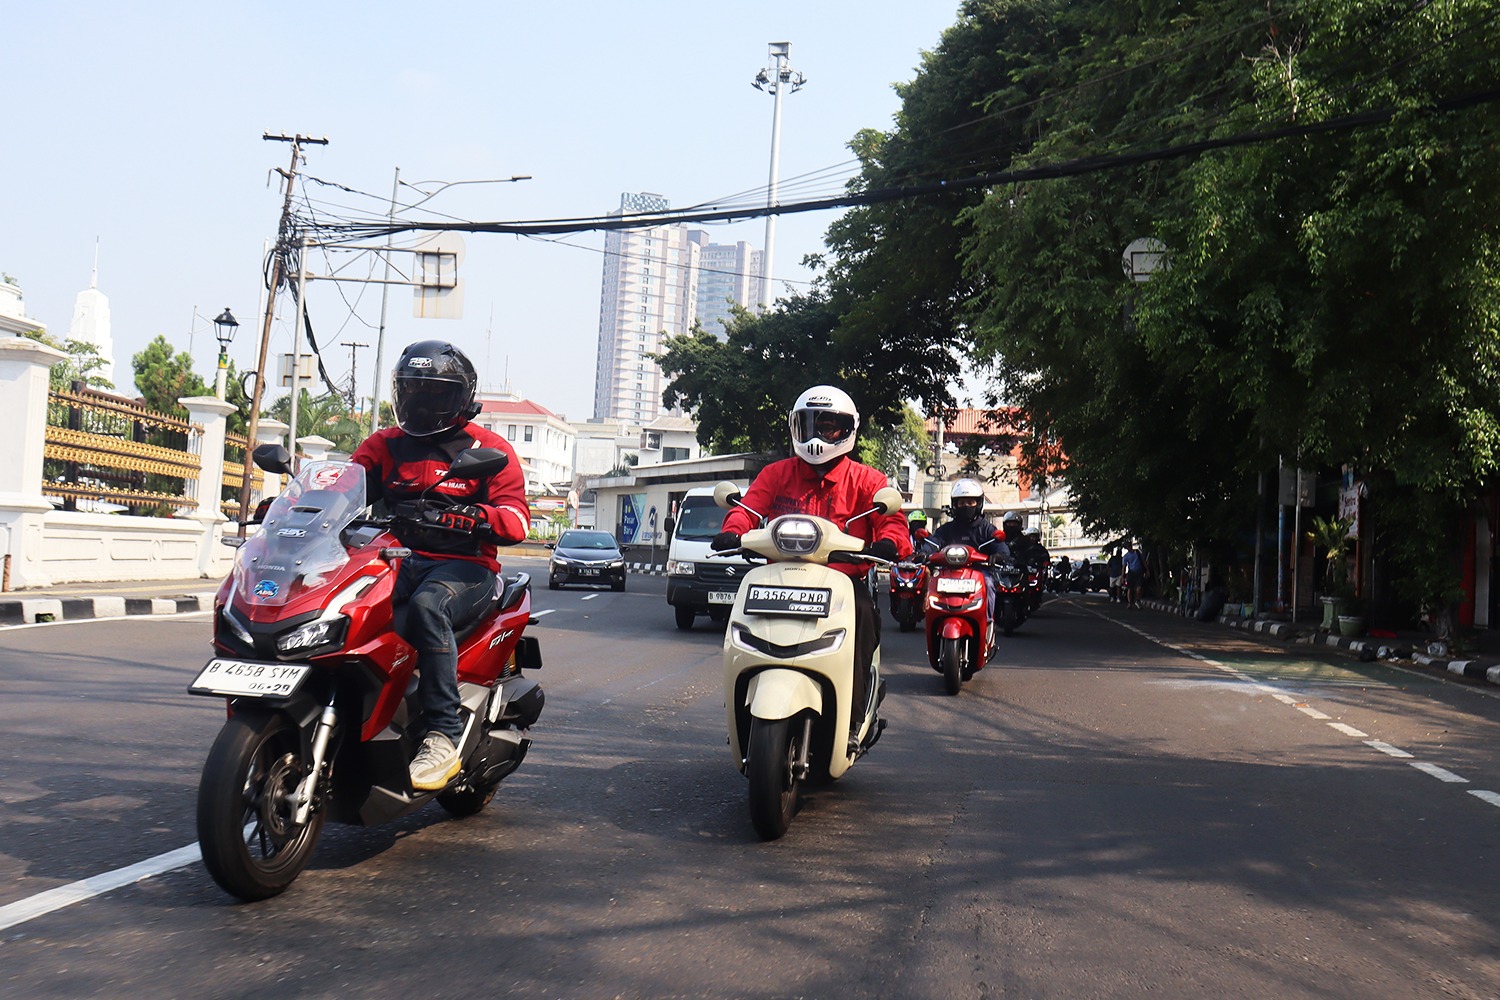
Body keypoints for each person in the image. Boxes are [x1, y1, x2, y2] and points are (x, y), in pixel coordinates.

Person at [351, 340, 529, 791]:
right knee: (341, 611)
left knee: (430, 607)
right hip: (395, 561)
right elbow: (345, 488)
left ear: (461, 398)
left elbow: (517, 520)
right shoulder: (385, 444)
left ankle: (443, 736)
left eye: (435, 392)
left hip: (465, 569)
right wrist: (300, 505)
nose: (422, 401)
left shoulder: (488, 449)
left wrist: (473, 516)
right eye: (413, 390)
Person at [712, 385, 911, 742]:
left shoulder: (868, 480)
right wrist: (733, 531)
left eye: (829, 426)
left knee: (864, 618)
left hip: (842, 583)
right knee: (740, 623)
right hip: (778, 577)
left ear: (847, 429)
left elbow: (892, 521)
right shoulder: (776, 474)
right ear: (795, 427)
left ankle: (851, 717)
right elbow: (747, 509)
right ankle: (740, 704)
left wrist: (889, 543)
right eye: (810, 425)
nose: (818, 436)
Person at [929, 478, 1010, 624]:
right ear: (954, 505)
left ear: (978, 504)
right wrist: (924, 552)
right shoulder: (947, 529)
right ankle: (934, 620)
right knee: (932, 584)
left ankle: (988, 622)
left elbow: (1000, 546)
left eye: (970, 502)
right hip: (949, 573)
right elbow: (934, 542)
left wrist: (999, 555)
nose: (965, 506)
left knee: (988, 583)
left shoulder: (987, 529)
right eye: (961, 503)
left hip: (979, 571)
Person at [1121, 539, 1145, 608]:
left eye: (1129, 546)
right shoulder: (1126, 556)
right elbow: (1124, 566)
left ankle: (1137, 599)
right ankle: (1130, 603)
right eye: (1127, 546)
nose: (1129, 547)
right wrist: (1123, 576)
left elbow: (1143, 561)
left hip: (1139, 571)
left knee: (1139, 587)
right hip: (1131, 572)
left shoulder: (1137, 552)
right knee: (1130, 588)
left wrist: (1147, 570)